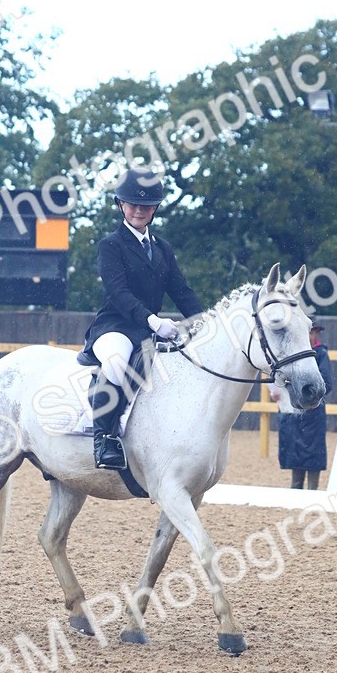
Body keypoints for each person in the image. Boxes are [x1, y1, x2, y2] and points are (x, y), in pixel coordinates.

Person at [82, 168, 204, 470]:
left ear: (155, 208)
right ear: (121, 205)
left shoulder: (163, 248)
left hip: (150, 331)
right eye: (132, 204)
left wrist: (205, 323)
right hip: (116, 327)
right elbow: (119, 293)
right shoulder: (111, 245)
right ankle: (105, 438)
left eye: (146, 205)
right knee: (116, 362)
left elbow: (181, 290)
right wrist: (152, 320)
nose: (139, 210)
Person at [271, 323, 333, 490]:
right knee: (294, 450)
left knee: (313, 451)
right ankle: (295, 488)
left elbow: (326, 382)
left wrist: (305, 393)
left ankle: (313, 489)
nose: (311, 337)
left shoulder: (320, 354)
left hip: (313, 411)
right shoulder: (294, 355)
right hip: (294, 409)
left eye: (313, 333)